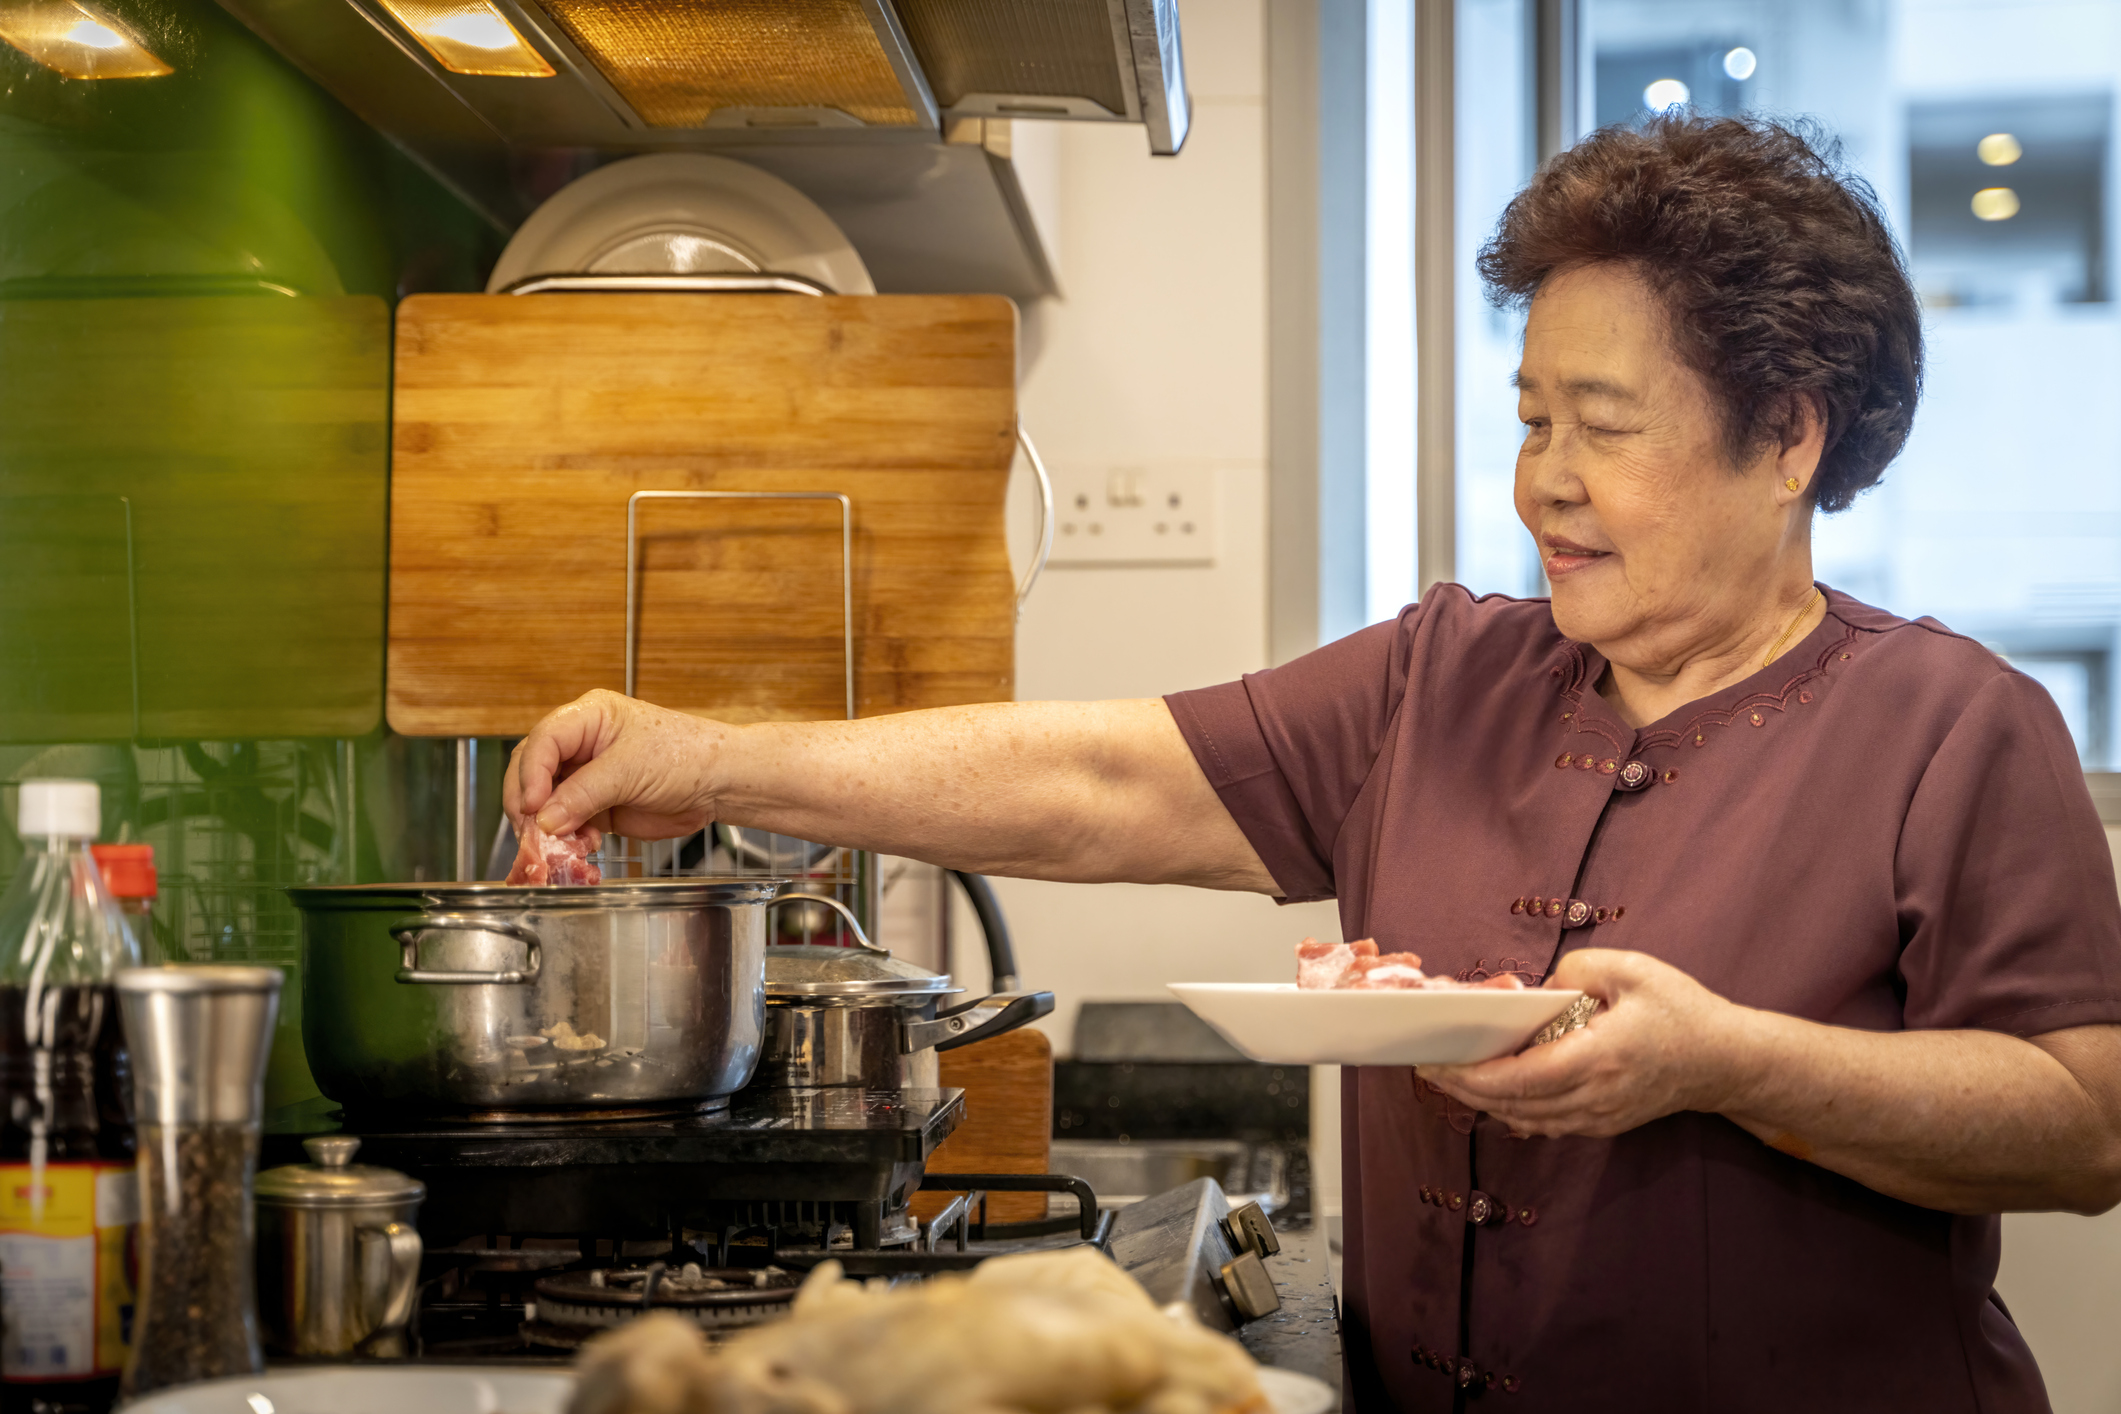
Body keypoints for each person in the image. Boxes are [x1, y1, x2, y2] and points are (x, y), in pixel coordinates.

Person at [504, 115, 2121, 1410]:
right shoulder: (1444, 673)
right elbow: (1101, 778)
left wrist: (1729, 1060)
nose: (1540, 483)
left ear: (1787, 436)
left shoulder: (1955, 726)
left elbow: (2082, 1121)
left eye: (1602, 425)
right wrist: (716, 760)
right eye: (1528, 417)